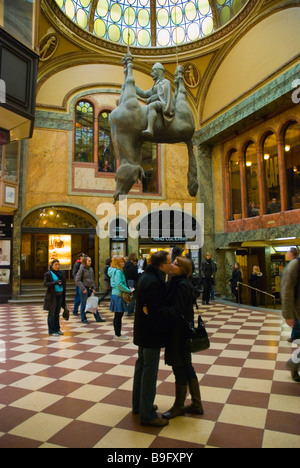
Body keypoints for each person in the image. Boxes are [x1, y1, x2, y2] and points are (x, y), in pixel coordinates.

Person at [132, 251, 178, 427]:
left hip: (143, 331)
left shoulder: (146, 276)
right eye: (169, 262)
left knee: (141, 368)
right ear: (161, 265)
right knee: (149, 371)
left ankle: (139, 406)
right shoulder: (153, 282)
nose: (171, 264)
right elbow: (155, 310)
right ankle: (148, 415)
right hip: (150, 333)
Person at [163, 256, 204, 420]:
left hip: (178, 333)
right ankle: (196, 403)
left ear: (184, 269)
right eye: (173, 262)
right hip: (181, 331)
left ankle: (179, 406)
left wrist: (160, 313)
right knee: (187, 366)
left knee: (179, 367)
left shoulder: (180, 285)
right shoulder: (178, 283)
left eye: (176, 264)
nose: (172, 265)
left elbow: (177, 310)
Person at [135, 62, 175, 138]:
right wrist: (134, 86)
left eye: (153, 71)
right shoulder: (156, 85)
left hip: (165, 104)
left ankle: (150, 129)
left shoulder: (165, 82)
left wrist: (151, 99)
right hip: (159, 103)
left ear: (159, 71)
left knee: (152, 106)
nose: (151, 73)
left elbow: (163, 97)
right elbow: (144, 93)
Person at [280, 250, 300, 382]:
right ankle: (294, 363)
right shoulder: (295, 265)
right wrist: (288, 314)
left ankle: (294, 363)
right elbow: (286, 289)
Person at [108, 256, 133, 341]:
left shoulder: (113, 270)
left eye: (123, 261)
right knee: (118, 316)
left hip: (115, 294)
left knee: (117, 316)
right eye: (121, 262)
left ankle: (117, 334)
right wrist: (128, 290)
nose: (123, 263)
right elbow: (119, 284)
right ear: (117, 263)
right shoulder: (118, 272)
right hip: (118, 295)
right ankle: (118, 335)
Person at [76, 256, 105, 324]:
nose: (90, 262)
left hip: (90, 288)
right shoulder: (82, 269)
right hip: (84, 288)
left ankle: (98, 318)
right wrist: (83, 288)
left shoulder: (91, 269)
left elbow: (92, 279)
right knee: (83, 304)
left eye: (91, 261)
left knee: (93, 303)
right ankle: (84, 319)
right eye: (89, 261)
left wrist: (94, 288)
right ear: (85, 261)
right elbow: (77, 280)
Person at [44, 259, 66, 336]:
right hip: (52, 296)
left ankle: (57, 329)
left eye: (58, 264)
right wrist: (55, 283)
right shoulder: (48, 274)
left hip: (60, 294)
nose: (57, 266)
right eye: (55, 265)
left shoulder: (61, 273)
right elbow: (45, 284)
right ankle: (51, 330)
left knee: (57, 313)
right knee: (52, 314)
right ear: (52, 266)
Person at [283, 248, 300, 345]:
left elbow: (288, 290)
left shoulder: (293, 265)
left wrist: (287, 313)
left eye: (288, 252)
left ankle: (296, 336)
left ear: (291, 254)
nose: (287, 254)